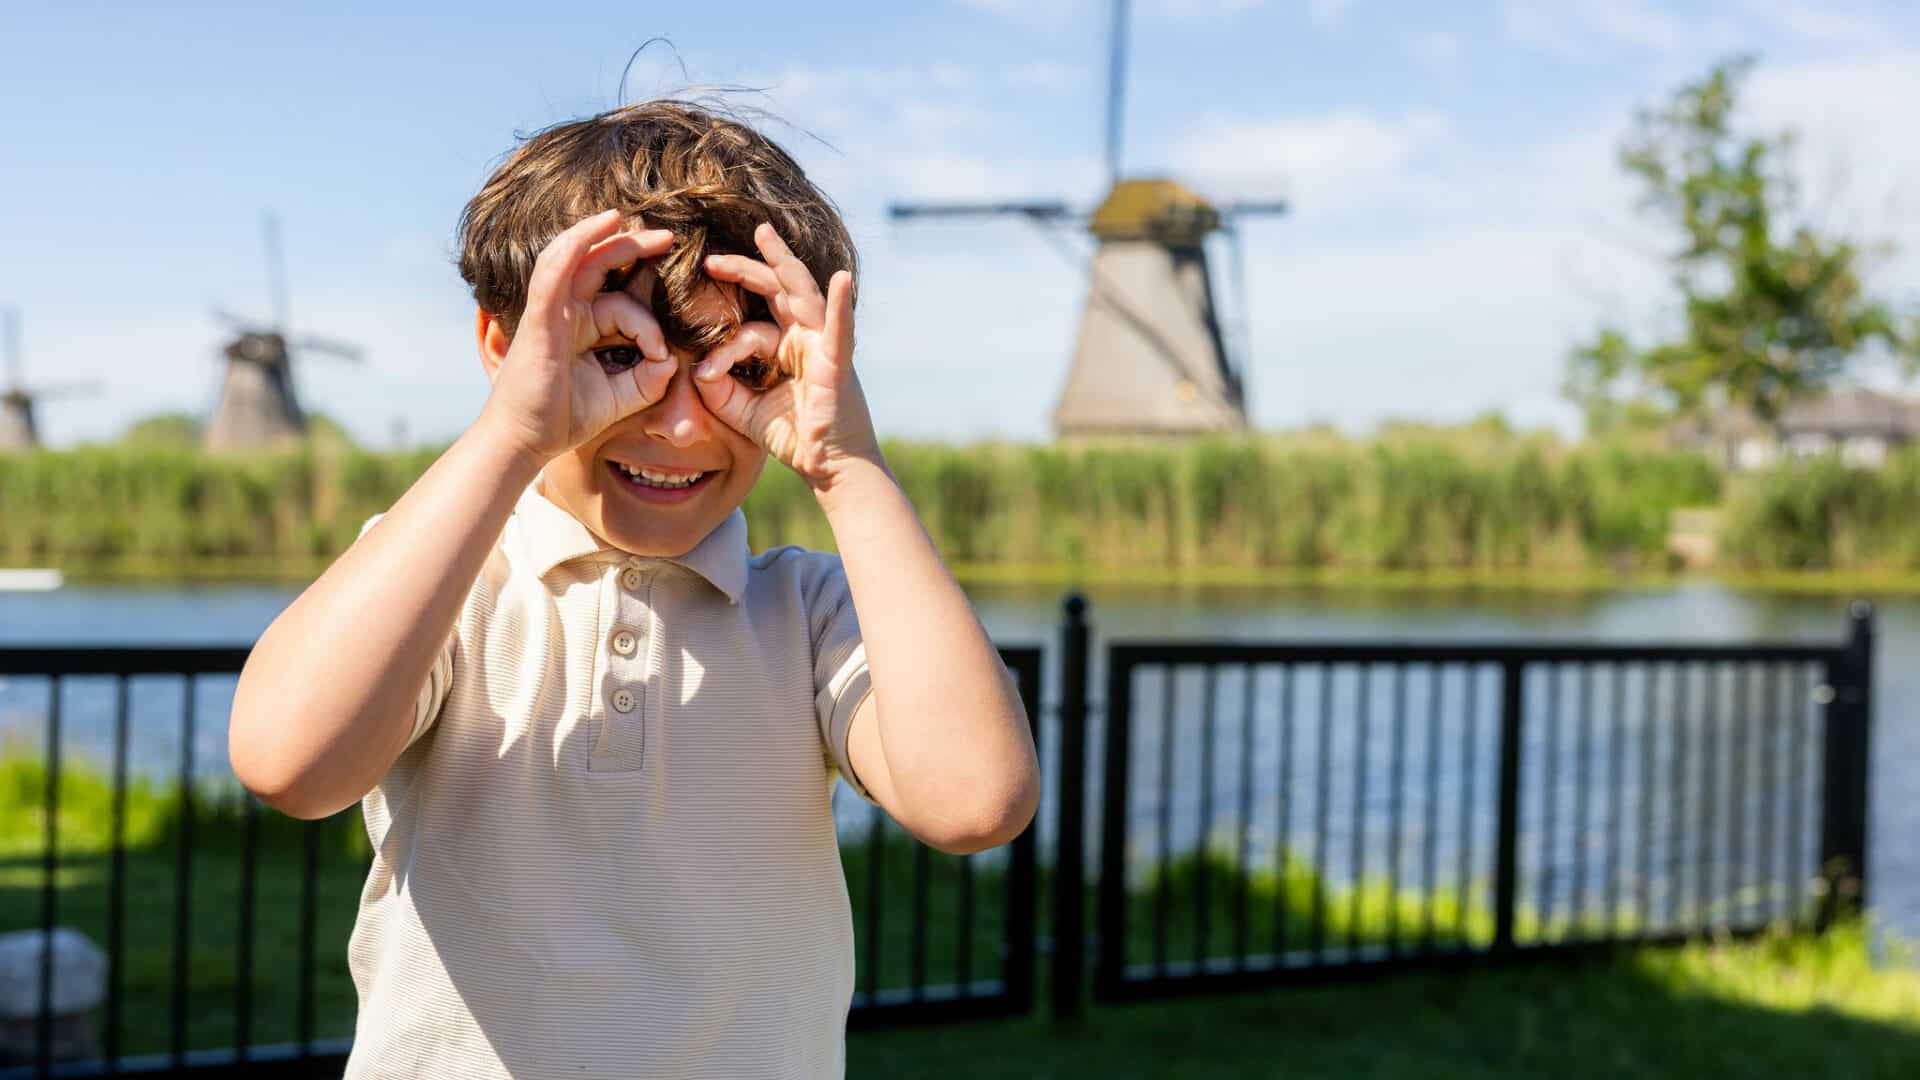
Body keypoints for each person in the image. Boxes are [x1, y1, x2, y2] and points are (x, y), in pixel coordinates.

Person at [227, 100, 1040, 1079]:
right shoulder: (444, 584)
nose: (682, 426)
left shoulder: (810, 614)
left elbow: (973, 802)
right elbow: (290, 764)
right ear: (502, 345)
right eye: (619, 356)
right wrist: (511, 434)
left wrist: (849, 468)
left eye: (742, 367)